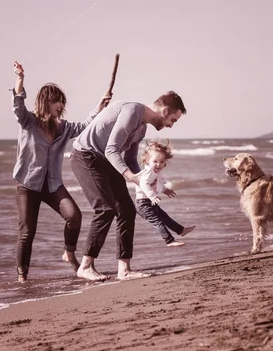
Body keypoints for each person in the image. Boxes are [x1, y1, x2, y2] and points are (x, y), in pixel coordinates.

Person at [69, 91, 187, 281]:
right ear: (165, 111)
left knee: (127, 210)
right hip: (86, 156)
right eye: (173, 120)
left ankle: (124, 270)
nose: (170, 126)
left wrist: (143, 179)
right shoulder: (133, 110)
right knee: (105, 209)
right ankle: (85, 266)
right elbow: (111, 149)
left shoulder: (141, 129)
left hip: (106, 160)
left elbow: (130, 159)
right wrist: (131, 177)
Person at [11, 61, 111, 283]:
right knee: (27, 232)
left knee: (74, 216)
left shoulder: (63, 127)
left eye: (62, 103)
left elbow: (85, 125)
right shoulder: (29, 121)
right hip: (28, 184)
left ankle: (69, 252)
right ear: (47, 101)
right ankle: (22, 277)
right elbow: (17, 105)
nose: (62, 106)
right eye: (58, 101)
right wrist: (20, 79)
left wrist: (99, 107)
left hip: (52, 184)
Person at [135, 140, 195, 247]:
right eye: (155, 161)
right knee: (158, 222)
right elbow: (144, 184)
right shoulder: (148, 172)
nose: (158, 164)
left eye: (162, 162)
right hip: (143, 204)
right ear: (147, 161)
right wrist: (152, 196)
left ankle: (181, 230)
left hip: (148, 202)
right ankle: (169, 240)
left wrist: (165, 190)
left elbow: (157, 184)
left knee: (165, 217)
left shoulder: (155, 172)